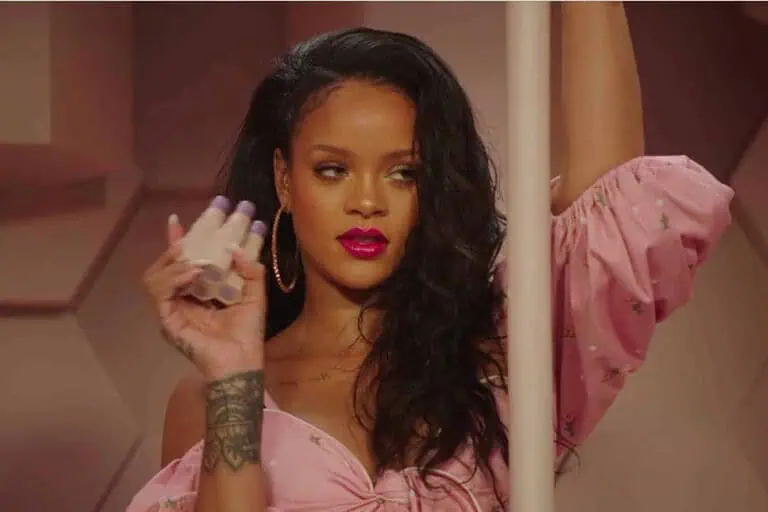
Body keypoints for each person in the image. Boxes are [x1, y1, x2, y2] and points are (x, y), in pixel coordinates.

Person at [130, 4, 734, 511]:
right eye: (333, 170)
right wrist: (234, 376)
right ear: (285, 179)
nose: (367, 202)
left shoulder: (501, 355)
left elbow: (611, 194)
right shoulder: (211, 396)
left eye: (404, 173)